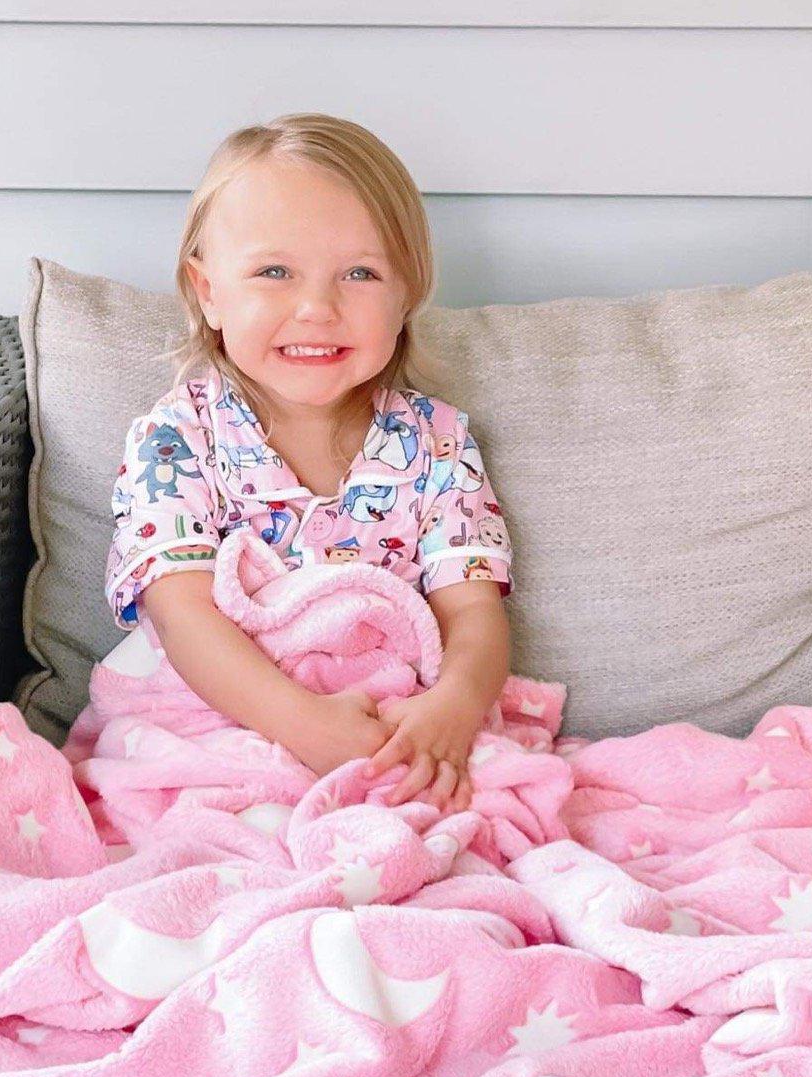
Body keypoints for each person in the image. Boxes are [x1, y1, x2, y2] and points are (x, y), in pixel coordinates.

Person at [105, 113, 514, 817]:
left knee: (488, 799)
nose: (317, 308)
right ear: (208, 291)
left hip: (394, 721)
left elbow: (473, 611)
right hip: (222, 716)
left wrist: (453, 705)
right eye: (274, 272)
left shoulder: (437, 443)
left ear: (406, 293)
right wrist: (304, 726)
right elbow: (182, 617)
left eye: (360, 273)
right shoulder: (177, 440)